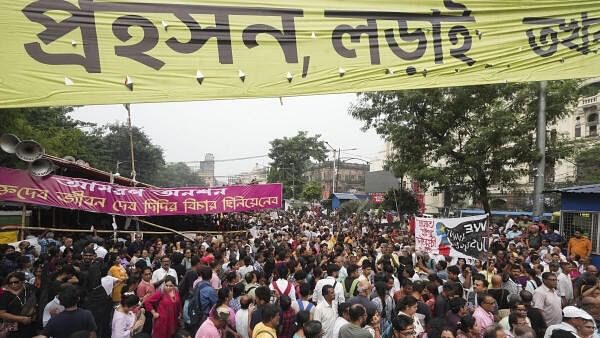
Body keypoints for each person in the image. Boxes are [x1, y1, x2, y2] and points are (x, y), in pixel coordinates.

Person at [0, 272, 37, 338]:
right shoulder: (6, 295)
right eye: (10, 283)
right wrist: (21, 319)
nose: (13, 284)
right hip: (13, 328)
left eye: (16, 282)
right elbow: (2, 313)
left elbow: (35, 304)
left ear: (22, 281)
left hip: (30, 325)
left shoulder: (29, 290)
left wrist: (34, 313)